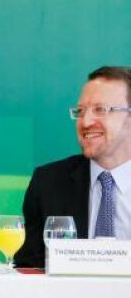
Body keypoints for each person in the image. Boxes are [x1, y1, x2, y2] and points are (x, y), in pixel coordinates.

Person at [15, 66, 131, 268]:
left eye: (100, 110)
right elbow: (29, 268)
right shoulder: (48, 183)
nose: (85, 122)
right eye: (80, 111)